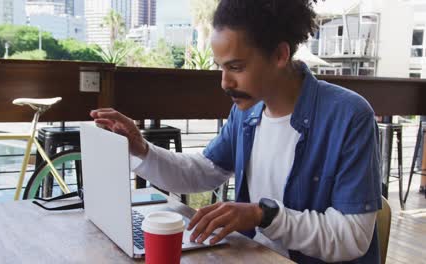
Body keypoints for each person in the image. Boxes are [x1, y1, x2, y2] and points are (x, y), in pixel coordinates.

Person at [90, 0, 382, 263]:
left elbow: (352, 238)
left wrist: (263, 215)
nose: (224, 82)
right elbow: (203, 170)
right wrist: (142, 148)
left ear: (280, 54)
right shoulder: (248, 114)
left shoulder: (349, 116)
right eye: (220, 67)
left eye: (236, 67)